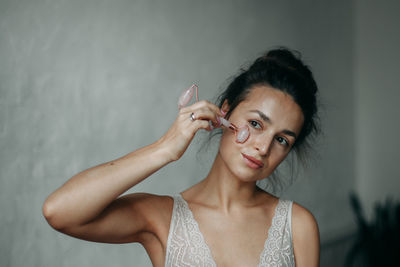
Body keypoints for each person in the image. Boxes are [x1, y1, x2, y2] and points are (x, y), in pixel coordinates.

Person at [43, 47, 320, 267]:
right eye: (257, 124)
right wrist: (165, 148)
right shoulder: (161, 217)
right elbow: (59, 212)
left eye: (282, 140)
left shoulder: (297, 226)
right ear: (224, 112)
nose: (263, 147)